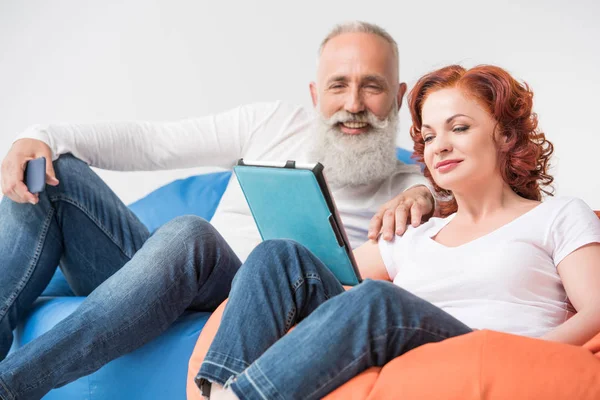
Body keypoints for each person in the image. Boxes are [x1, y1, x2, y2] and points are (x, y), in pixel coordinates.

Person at [0, 22, 435, 400]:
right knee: (51, 172)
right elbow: (154, 142)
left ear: (397, 96)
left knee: (192, 236)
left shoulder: (414, 189)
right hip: (155, 280)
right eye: (339, 84)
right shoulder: (275, 124)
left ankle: (11, 386)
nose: (354, 104)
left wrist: (430, 199)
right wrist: (37, 136)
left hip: (250, 306)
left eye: (372, 86)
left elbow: (462, 226)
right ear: (315, 94)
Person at [195, 64, 600, 400]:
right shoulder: (417, 233)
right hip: (405, 351)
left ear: (506, 135)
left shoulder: (556, 215)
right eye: (428, 135)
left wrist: (533, 353)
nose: (438, 145)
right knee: (278, 255)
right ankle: (216, 391)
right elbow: (326, 276)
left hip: (486, 352)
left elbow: (597, 309)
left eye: (458, 128)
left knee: (379, 299)